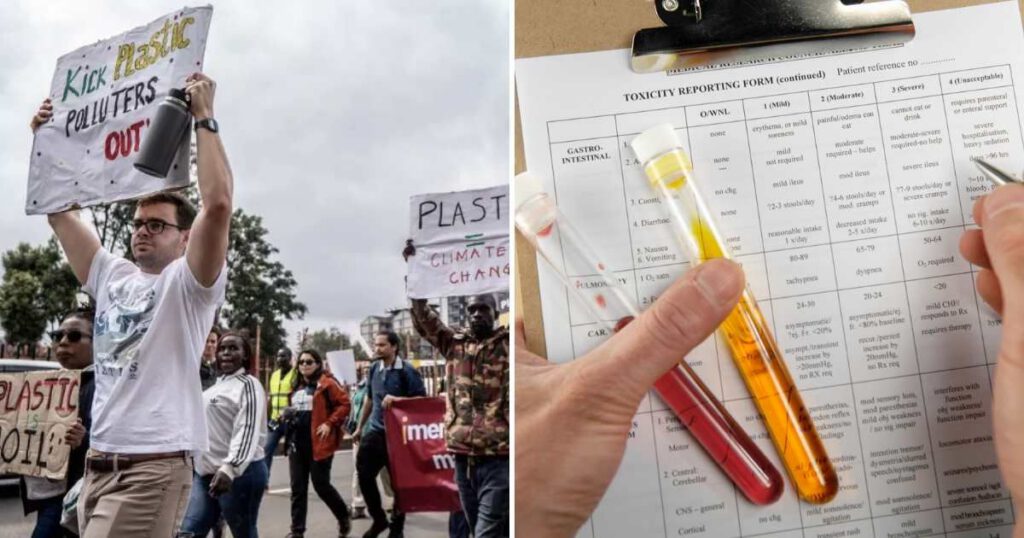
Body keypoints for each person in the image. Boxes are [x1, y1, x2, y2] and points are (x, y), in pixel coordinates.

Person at [33, 72, 232, 537]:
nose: (141, 229)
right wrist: (46, 139)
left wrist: (204, 117)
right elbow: (58, 210)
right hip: (98, 468)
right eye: (138, 222)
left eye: (157, 225)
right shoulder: (112, 274)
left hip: (152, 468)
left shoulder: (189, 286)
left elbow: (218, 204)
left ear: (185, 238)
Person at [411, 296, 509, 538]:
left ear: (496, 314)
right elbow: (425, 320)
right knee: (478, 529)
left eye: (483, 309)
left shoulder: (508, 346)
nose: (476, 314)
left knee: (487, 531)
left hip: (498, 456)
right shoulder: (454, 344)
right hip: (463, 457)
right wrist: (415, 285)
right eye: (472, 309)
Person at [181, 331, 268, 538]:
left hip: (238, 475)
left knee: (243, 532)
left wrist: (230, 468)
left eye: (233, 348)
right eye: (222, 349)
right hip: (205, 475)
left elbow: (247, 429)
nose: (226, 353)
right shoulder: (217, 385)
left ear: (245, 355)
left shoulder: (249, 385)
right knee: (188, 532)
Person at [19, 308, 95, 538]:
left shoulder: (103, 388)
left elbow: (118, 442)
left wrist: (85, 438)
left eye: (73, 336)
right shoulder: (47, 387)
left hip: (78, 492)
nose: (62, 342)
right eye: (57, 336)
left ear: (97, 342)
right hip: (50, 491)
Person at [352, 331, 427, 538]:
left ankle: (397, 528)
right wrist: (360, 427)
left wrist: (398, 400)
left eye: (382, 345)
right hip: (375, 431)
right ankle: (379, 520)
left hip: (400, 437)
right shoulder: (374, 368)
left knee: (399, 485)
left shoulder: (407, 371)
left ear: (394, 347)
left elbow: (422, 401)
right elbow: (369, 398)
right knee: (364, 473)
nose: (377, 348)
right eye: (376, 345)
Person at [284, 349, 353, 538]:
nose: (305, 365)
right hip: (297, 443)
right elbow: (293, 409)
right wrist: (286, 415)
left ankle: (343, 514)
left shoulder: (327, 384)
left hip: (320, 444)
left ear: (317, 364)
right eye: (301, 362)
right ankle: (297, 531)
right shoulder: (296, 386)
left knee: (321, 485)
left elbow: (345, 404)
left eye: (309, 362)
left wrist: (329, 423)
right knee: (298, 489)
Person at [265, 347, 296, 475]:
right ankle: (264, 481)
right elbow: (271, 398)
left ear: (290, 358)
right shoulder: (274, 375)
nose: (280, 359)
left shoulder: (296, 374)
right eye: (278, 356)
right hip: (275, 420)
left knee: (293, 452)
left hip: (290, 420)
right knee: (267, 448)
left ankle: (296, 481)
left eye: (283, 356)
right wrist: (267, 418)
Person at [200, 327, 221, 392]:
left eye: (213, 341)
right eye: (206, 341)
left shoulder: (222, 366)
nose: (209, 345)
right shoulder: (194, 365)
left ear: (217, 344)